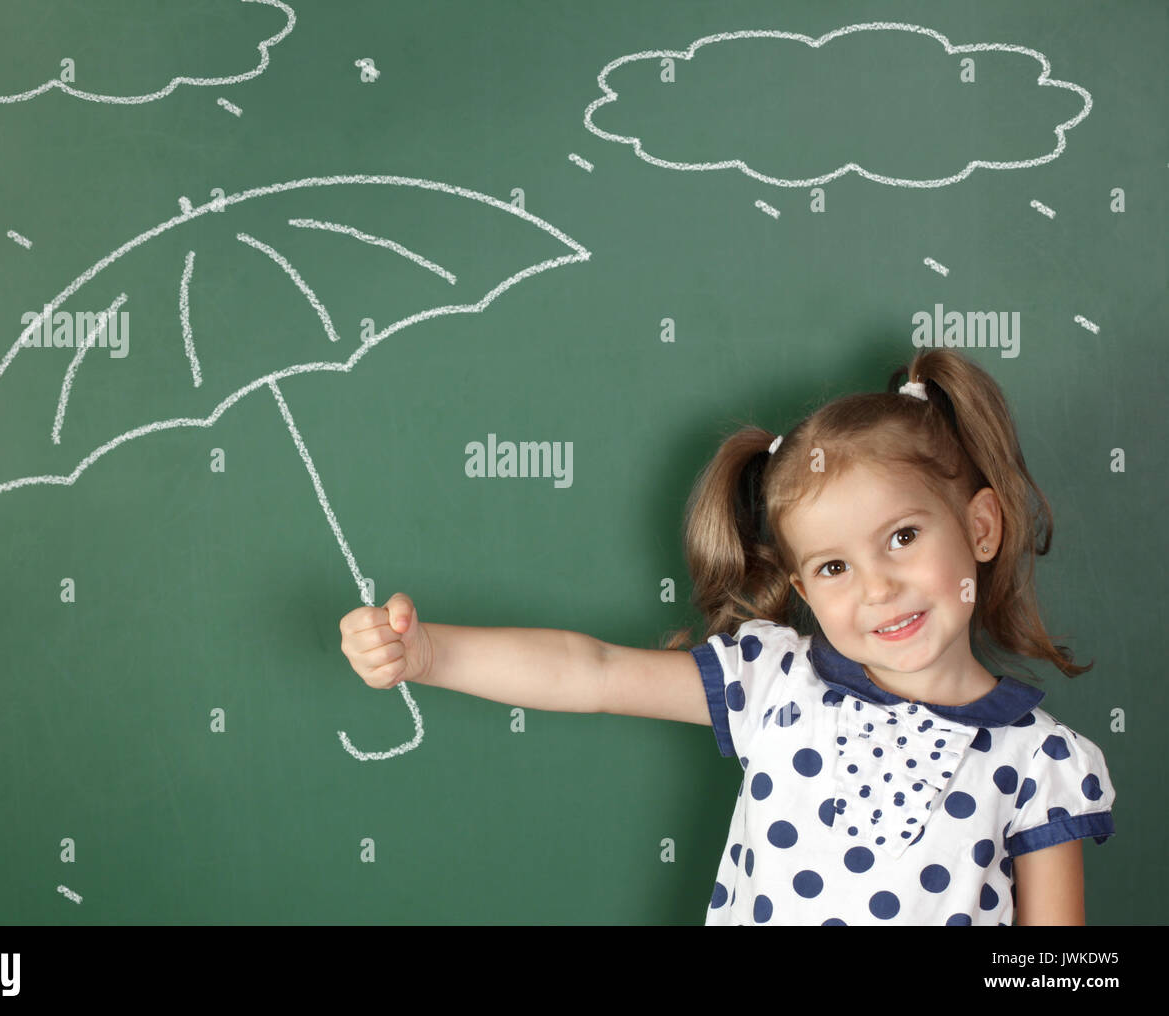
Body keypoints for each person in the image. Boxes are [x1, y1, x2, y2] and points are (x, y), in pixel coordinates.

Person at [338, 348, 1115, 925]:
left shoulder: (1040, 762)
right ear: (806, 591)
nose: (878, 587)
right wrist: (432, 654)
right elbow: (593, 672)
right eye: (836, 565)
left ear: (979, 527)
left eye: (904, 536)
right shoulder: (774, 684)